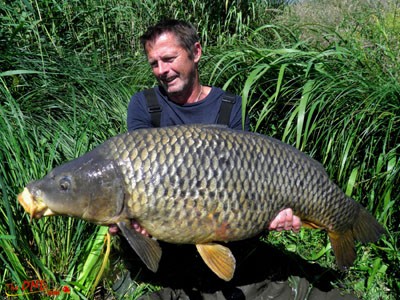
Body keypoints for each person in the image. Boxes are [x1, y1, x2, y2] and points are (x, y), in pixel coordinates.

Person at [111, 19, 356, 299]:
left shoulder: (230, 107)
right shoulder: (144, 105)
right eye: (154, 63)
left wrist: (273, 211)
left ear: (196, 52)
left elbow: (247, 178)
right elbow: (140, 176)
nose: (162, 71)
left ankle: (343, 219)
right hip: (171, 231)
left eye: (168, 59)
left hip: (227, 224)